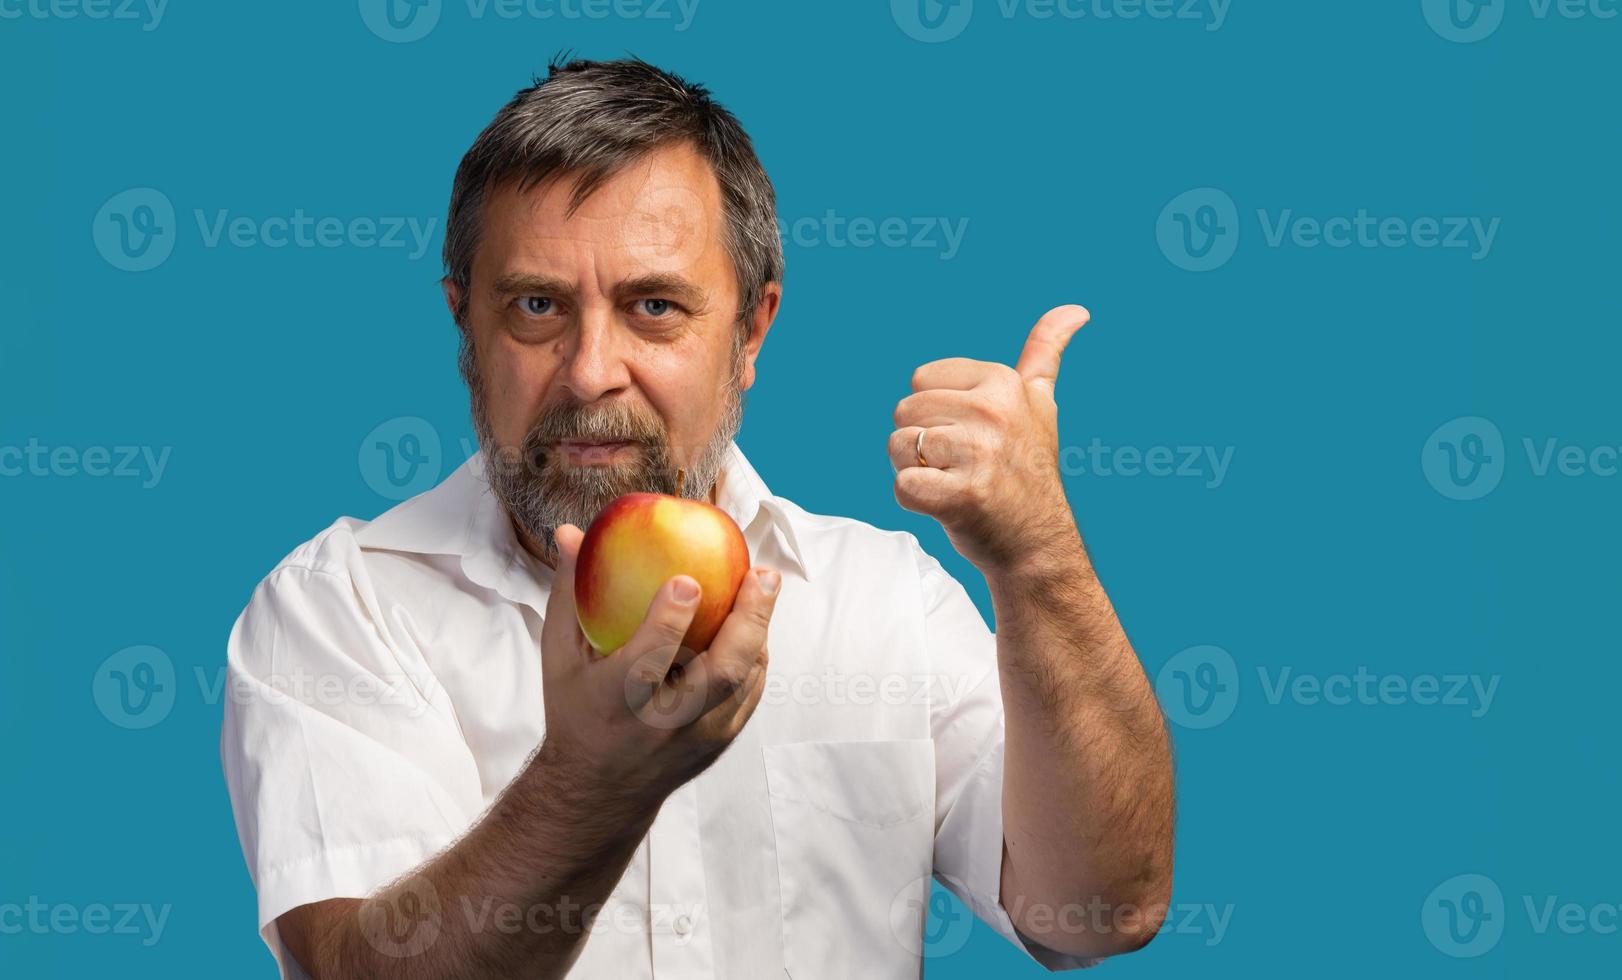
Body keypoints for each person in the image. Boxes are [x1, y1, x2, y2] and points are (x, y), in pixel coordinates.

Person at [220, 56, 1174, 979]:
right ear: (466, 325)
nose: (592, 370)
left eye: (655, 307)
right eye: (538, 306)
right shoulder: (341, 608)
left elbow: (1102, 909)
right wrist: (588, 787)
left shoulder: (885, 601)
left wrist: (1040, 560)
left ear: (750, 331)